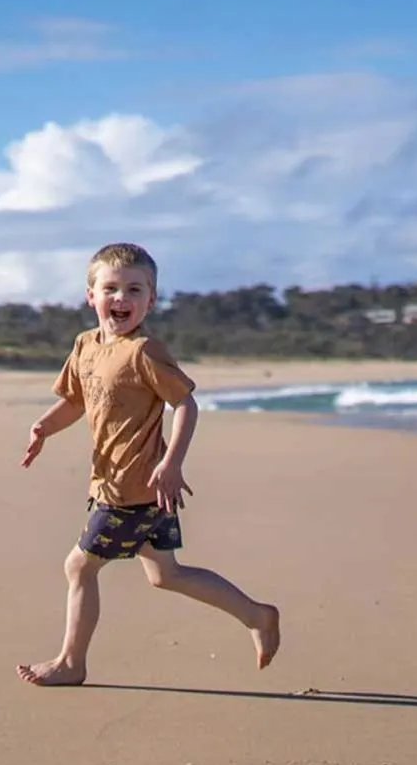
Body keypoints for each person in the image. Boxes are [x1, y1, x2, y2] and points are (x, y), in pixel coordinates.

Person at [16, 242, 280, 686]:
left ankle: (70, 663)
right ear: (91, 295)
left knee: (80, 567)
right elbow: (76, 401)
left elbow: (186, 405)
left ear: (150, 300)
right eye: (112, 288)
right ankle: (257, 615)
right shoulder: (85, 346)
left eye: (134, 290)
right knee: (165, 574)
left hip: (136, 487)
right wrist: (43, 428)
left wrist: (173, 463)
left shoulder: (144, 351)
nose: (122, 299)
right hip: (122, 483)